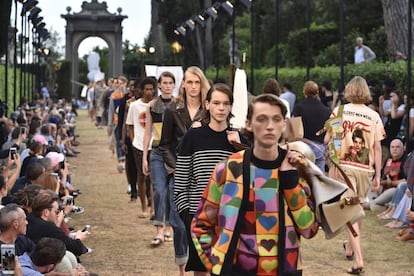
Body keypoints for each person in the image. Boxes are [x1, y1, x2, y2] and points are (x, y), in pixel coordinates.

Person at [191, 93, 319, 275]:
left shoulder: (297, 168)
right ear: (249, 124)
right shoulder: (229, 168)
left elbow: (309, 229)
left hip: (285, 269)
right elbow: (201, 223)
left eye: (276, 119)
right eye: (262, 119)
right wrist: (215, 264)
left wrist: (290, 184)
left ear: (284, 124)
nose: (269, 126)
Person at [175, 83, 245, 275]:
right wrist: (187, 214)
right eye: (216, 103)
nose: (221, 108)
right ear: (207, 105)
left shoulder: (238, 139)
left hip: (230, 215)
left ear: (231, 107)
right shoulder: (193, 137)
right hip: (198, 215)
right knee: (201, 269)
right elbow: (181, 179)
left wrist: (239, 145)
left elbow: (252, 173)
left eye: (225, 103)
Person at [324, 76, 385, 274]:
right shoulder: (374, 115)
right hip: (365, 169)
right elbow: (377, 147)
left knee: (349, 212)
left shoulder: (339, 111)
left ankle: (359, 259)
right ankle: (350, 247)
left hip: (343, 167)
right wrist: (378, 174)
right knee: (356, 209)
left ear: (348, 90)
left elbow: (327, 139)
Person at [159, 66, 210, 276]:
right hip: (179, 172)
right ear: (183, 84)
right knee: (179, 224)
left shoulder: (209, 109)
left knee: (203, 222)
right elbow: (165, 144)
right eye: (189, 82)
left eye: (197, 82)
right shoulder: (172, 109)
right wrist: (175, 168)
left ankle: (202, 264)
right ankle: (182, 265)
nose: (193, 87)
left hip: (203, 173)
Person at [142, 72, 176, 246]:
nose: (168, 85)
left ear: (174, 85)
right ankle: (159, 229)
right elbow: (148, 131)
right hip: (156, 151)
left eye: (171, 82)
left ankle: (169, 227)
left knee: (171, 191)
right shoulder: (151, 106)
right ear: (160, 85)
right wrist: (144, 158)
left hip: (175, 153)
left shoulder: (179, 105)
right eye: (165, 82)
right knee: (159, 189)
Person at [126, 78, 156, 216]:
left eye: (151, 89)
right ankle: (144, 206)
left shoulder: (157, 105)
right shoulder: (134, 106)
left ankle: (153, 207)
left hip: (154, 144)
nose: (149, 92)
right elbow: (130, 125)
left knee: (154, 177)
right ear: (142, 90)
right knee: (142, 176)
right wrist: (133, 141)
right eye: (146, 89)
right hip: (138, 145)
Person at [292, 81, 331, 172]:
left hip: (303, 147)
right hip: (319, 147)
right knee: (319, 178)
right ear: (317, 93)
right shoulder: (326, 110)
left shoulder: (298, 108)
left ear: (304, 92)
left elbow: (295, 129)